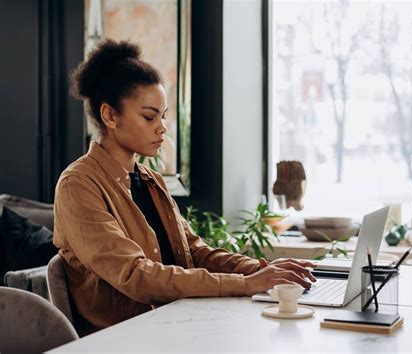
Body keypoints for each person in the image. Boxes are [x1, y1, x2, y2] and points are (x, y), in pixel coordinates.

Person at [53, 39, 316, 336]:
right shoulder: (78, 186)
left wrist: (258, 269)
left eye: (162, 117)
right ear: (110, 116)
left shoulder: (149, 180)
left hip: (173, 325)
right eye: (149, 117)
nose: (162, 128)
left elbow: (194, 252)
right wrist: (245, 285)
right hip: (124, 339)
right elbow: (136, 275)